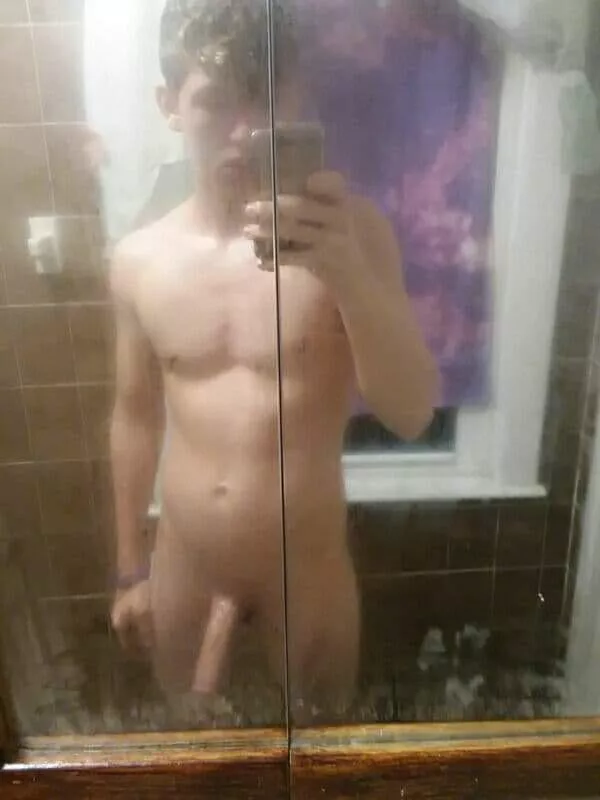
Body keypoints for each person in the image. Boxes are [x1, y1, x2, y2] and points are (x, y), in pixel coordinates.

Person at [110, 0, 438, 721]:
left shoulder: (353, 234)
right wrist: (129, 569)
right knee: (195, 756)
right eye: (215, 102)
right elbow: (133, 416)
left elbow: (411, 412)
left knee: (321, 755)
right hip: (185, 565)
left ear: (296, 103)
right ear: (169, 106)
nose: (242, 131)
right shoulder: (139, 261)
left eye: (264, 100)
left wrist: (344, 272)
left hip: (306, 571)